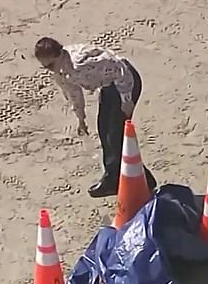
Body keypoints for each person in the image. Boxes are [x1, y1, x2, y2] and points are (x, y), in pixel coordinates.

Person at [34, 37, 157, 198]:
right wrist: (81, 119)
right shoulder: (61, 71)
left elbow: (119, 68)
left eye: (51, 65)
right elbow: (74, 93)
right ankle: (113, 178)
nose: (50, 70)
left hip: (126, 82)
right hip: (108, 85)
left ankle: (142, 180)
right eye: (46, 68)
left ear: (59, 55)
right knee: (104, 130)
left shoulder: (80, 63)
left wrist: (126, 99)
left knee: (115, 135)